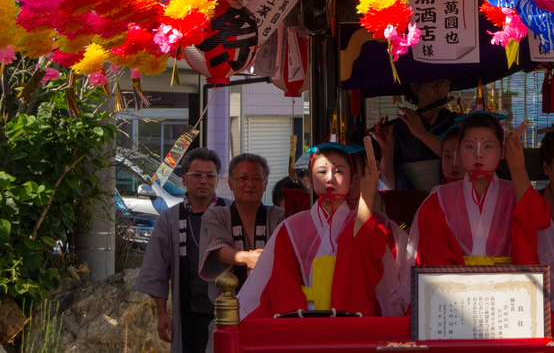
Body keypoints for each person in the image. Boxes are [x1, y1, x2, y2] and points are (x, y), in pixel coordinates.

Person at [237, 140, 398, 318]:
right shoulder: (291, 227)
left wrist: (367, 197)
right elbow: (283, 282)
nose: (329, 178)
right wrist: (298, 319)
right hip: (303, 320)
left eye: (339, 171)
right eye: (321, 171)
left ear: (353, 180)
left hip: (352, 317)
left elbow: (364, 266)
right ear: (311, 180)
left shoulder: (369, 221)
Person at [408, 113, 554, 277]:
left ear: (502, 152)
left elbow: (538, 221)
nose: (478, 154)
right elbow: (434, 255)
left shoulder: (516, 192)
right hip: (455, 290)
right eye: (469, 146)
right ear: (459, 151)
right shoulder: (439, 198)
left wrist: (518, 168)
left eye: (488, 146)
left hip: (509, 287)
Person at [135, 147, 226, 353]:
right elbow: (156, 269)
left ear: (217, 180)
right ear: (184, 179)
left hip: (226, 309)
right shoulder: (170, 218)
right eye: (197, 175)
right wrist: (162, 314)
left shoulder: (229, 212)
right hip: (187, 310)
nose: (203, 180)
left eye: (210, 175)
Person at [199, 153, 286, 296]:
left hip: (270, 302)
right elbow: (218, 249)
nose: (250, 183)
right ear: (230, 184)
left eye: (257, 178)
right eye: (243, 178)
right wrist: (245, 257)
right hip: (228, 306)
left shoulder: (279, 215)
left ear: (265, 185)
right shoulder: (215, 215)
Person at [373, 79, 455, 191]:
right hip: (411, 201)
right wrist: (387, 148)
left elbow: (460, 158)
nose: (439, 89)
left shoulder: (456, 123)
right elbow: (389, 185)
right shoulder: (398, 128)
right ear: (415, 86)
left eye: (444, 81)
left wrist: (421, 133)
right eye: (432, 82)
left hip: (448, 197)